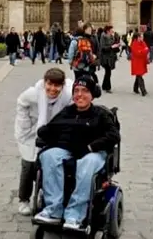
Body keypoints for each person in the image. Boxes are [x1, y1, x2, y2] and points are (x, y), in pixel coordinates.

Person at [33, 76, 120, 231]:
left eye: (85, 91)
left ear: (92, 94)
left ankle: (75, 215)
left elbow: (113, 136)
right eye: (76, 91)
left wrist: (90, 147)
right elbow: (50, 129)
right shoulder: (67, 112)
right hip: (68, 150)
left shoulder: (100, 114)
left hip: (92, 152)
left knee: (87, 163)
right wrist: (43, 134)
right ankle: (53, 211)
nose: (80, 94)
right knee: (48, 156)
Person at [14, 68, 73, 216]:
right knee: (29, 164)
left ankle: (51, 197)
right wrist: (26, 124)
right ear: (45, 82)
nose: (53, 89)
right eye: (50, 85)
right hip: (32, 131)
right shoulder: (33, 93)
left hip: (54, 132)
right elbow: (21, 102)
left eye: (57, 86)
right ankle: (24, 199)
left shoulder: (67, 95)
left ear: (62, 86)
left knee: (52, 164)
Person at [99, 25, 119, 93]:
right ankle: (107, 87)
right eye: (111, 30)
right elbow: (103, 47)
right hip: (105, 57)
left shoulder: (111, 36)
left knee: (107, 72)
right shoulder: (103, 36)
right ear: (108, 30)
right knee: (108, 72)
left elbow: (113, 44)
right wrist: (112, 47)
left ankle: (104, 86)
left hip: (110, 57)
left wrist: (117, 45)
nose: (112, 31)